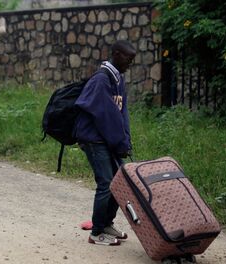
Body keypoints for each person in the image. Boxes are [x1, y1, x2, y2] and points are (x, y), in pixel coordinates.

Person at [74, 40, 136, 246]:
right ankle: (96, 232)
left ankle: (107, 224)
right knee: (106, 184)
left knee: (118, 184)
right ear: (117, 54)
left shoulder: (118, 79)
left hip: (107, 139)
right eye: (128, 58)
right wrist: (119, 142)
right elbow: (105, 116)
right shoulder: (101, 79)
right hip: (94, 139)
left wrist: (125, 139)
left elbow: (121, 113)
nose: (130, 63)